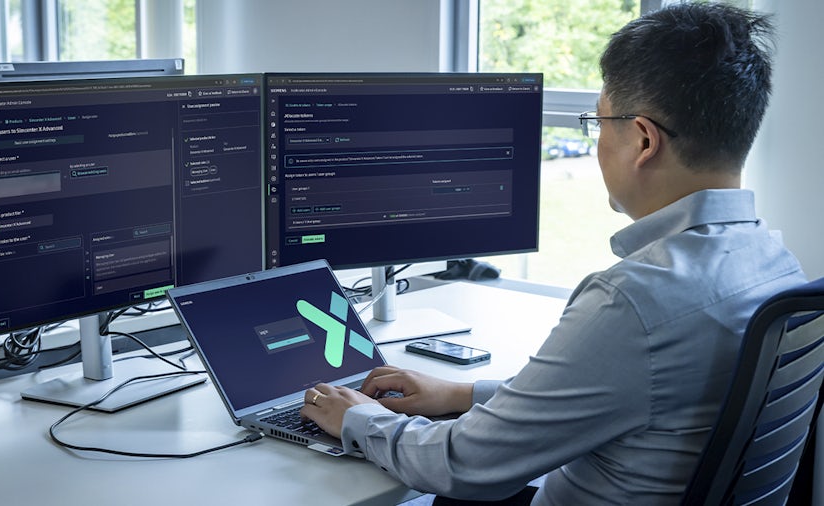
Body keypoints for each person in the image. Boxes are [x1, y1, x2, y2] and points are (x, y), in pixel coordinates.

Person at [299, 3, 807, 504]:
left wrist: (357, 419)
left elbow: (463, 465)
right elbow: (620, 392)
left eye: (600, 122)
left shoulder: (633, 301)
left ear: (644, 140)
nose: (598, 139)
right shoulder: (777, 265)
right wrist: (459, 394)